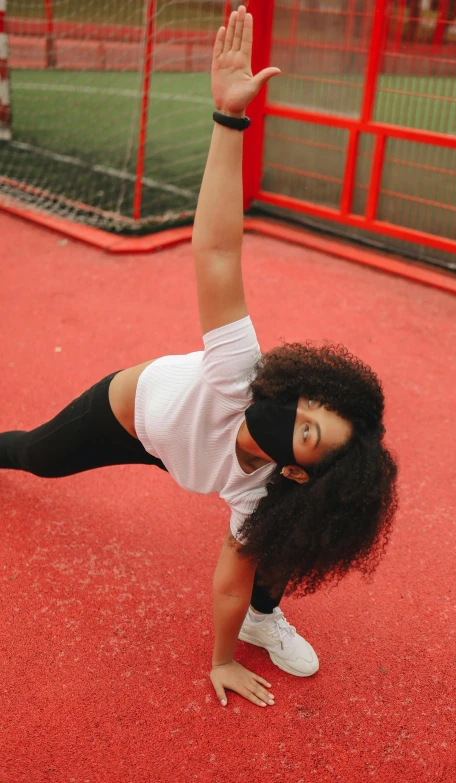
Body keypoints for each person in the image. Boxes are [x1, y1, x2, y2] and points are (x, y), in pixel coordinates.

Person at [0, 5, 398, 710]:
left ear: (300, 466)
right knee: (37, 454)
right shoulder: (238, 374)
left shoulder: (264, 493)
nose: (290, 411)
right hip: (133, 415)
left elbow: (225, 578)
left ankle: (264, 619)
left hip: (214, 467)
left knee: (280, 538)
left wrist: (220, 661)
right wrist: (227, 119)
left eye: (305, 432)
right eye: (308, 406)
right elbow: (216, 250)